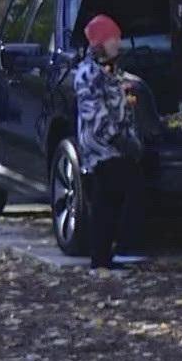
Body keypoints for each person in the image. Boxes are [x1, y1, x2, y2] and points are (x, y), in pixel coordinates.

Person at [73, 14, 147, 271]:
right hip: (101, 150)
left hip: (118, 146)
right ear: (100, 43)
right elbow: (95, 115)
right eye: (113, 38)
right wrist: (121, 141)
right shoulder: (87, 74)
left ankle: (109, 257)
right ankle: (112, 255)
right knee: (114, 198)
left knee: (111, 202)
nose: (118, 42)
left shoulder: (113, 72)